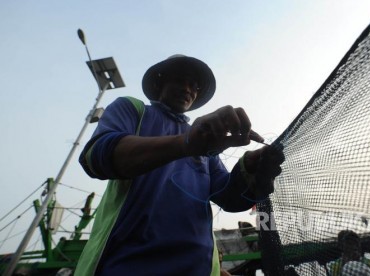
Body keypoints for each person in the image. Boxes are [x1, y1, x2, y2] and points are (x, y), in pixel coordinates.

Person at [73, 54, 285, 276]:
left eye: (194, 86)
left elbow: (228, 197)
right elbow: (95, 157)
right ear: (159, 84)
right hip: (126, 264)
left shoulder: (204, 140)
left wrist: (249, 170)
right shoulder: (133, 109)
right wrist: (186, 143)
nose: (188, 89)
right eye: (180, 80)